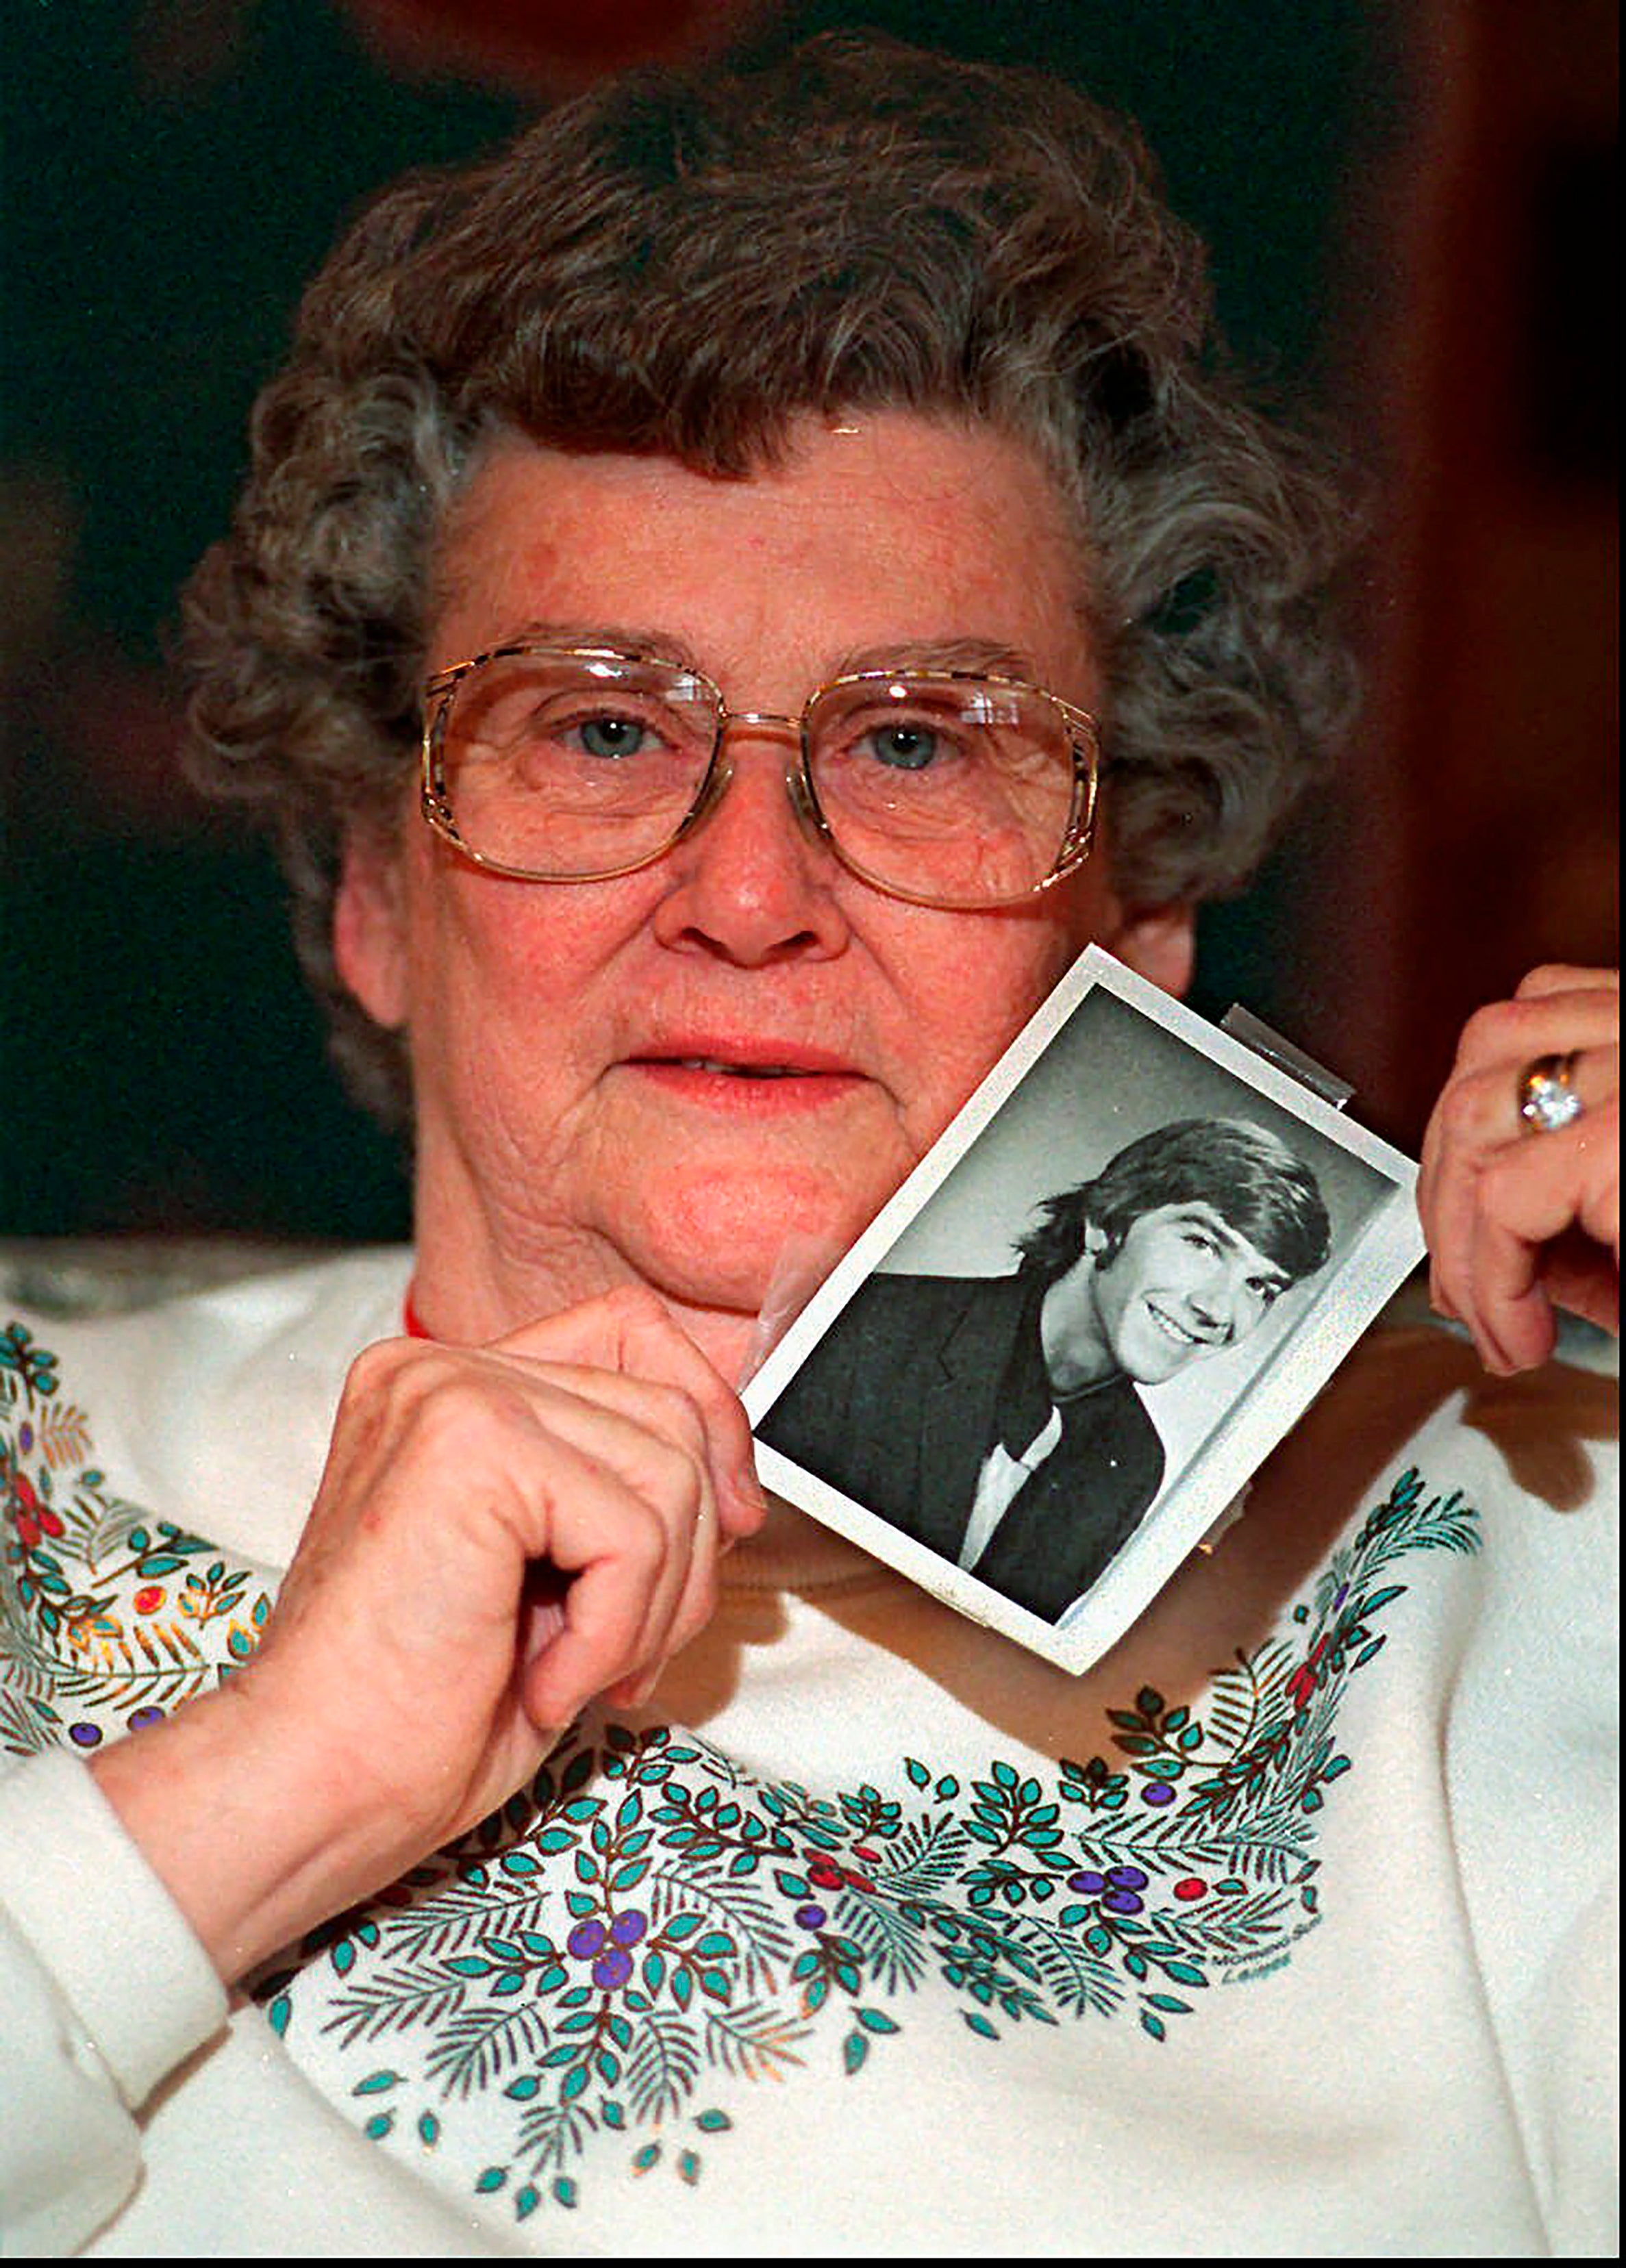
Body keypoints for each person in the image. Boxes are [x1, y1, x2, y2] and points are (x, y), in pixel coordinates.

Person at [0, 32, 1615, 2258]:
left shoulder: (1533, 1545)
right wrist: (245, 1801)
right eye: (593, 725)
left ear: (1130, 938)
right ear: (373, 894)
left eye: (918, 741)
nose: (748, 889)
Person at [759, 1118, 1331, 1619]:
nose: (1217, 1308)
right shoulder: (866, 1325)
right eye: (1203, 1244)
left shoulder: (1133, 1463)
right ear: (1107, 1223)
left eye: (1260, 1286)